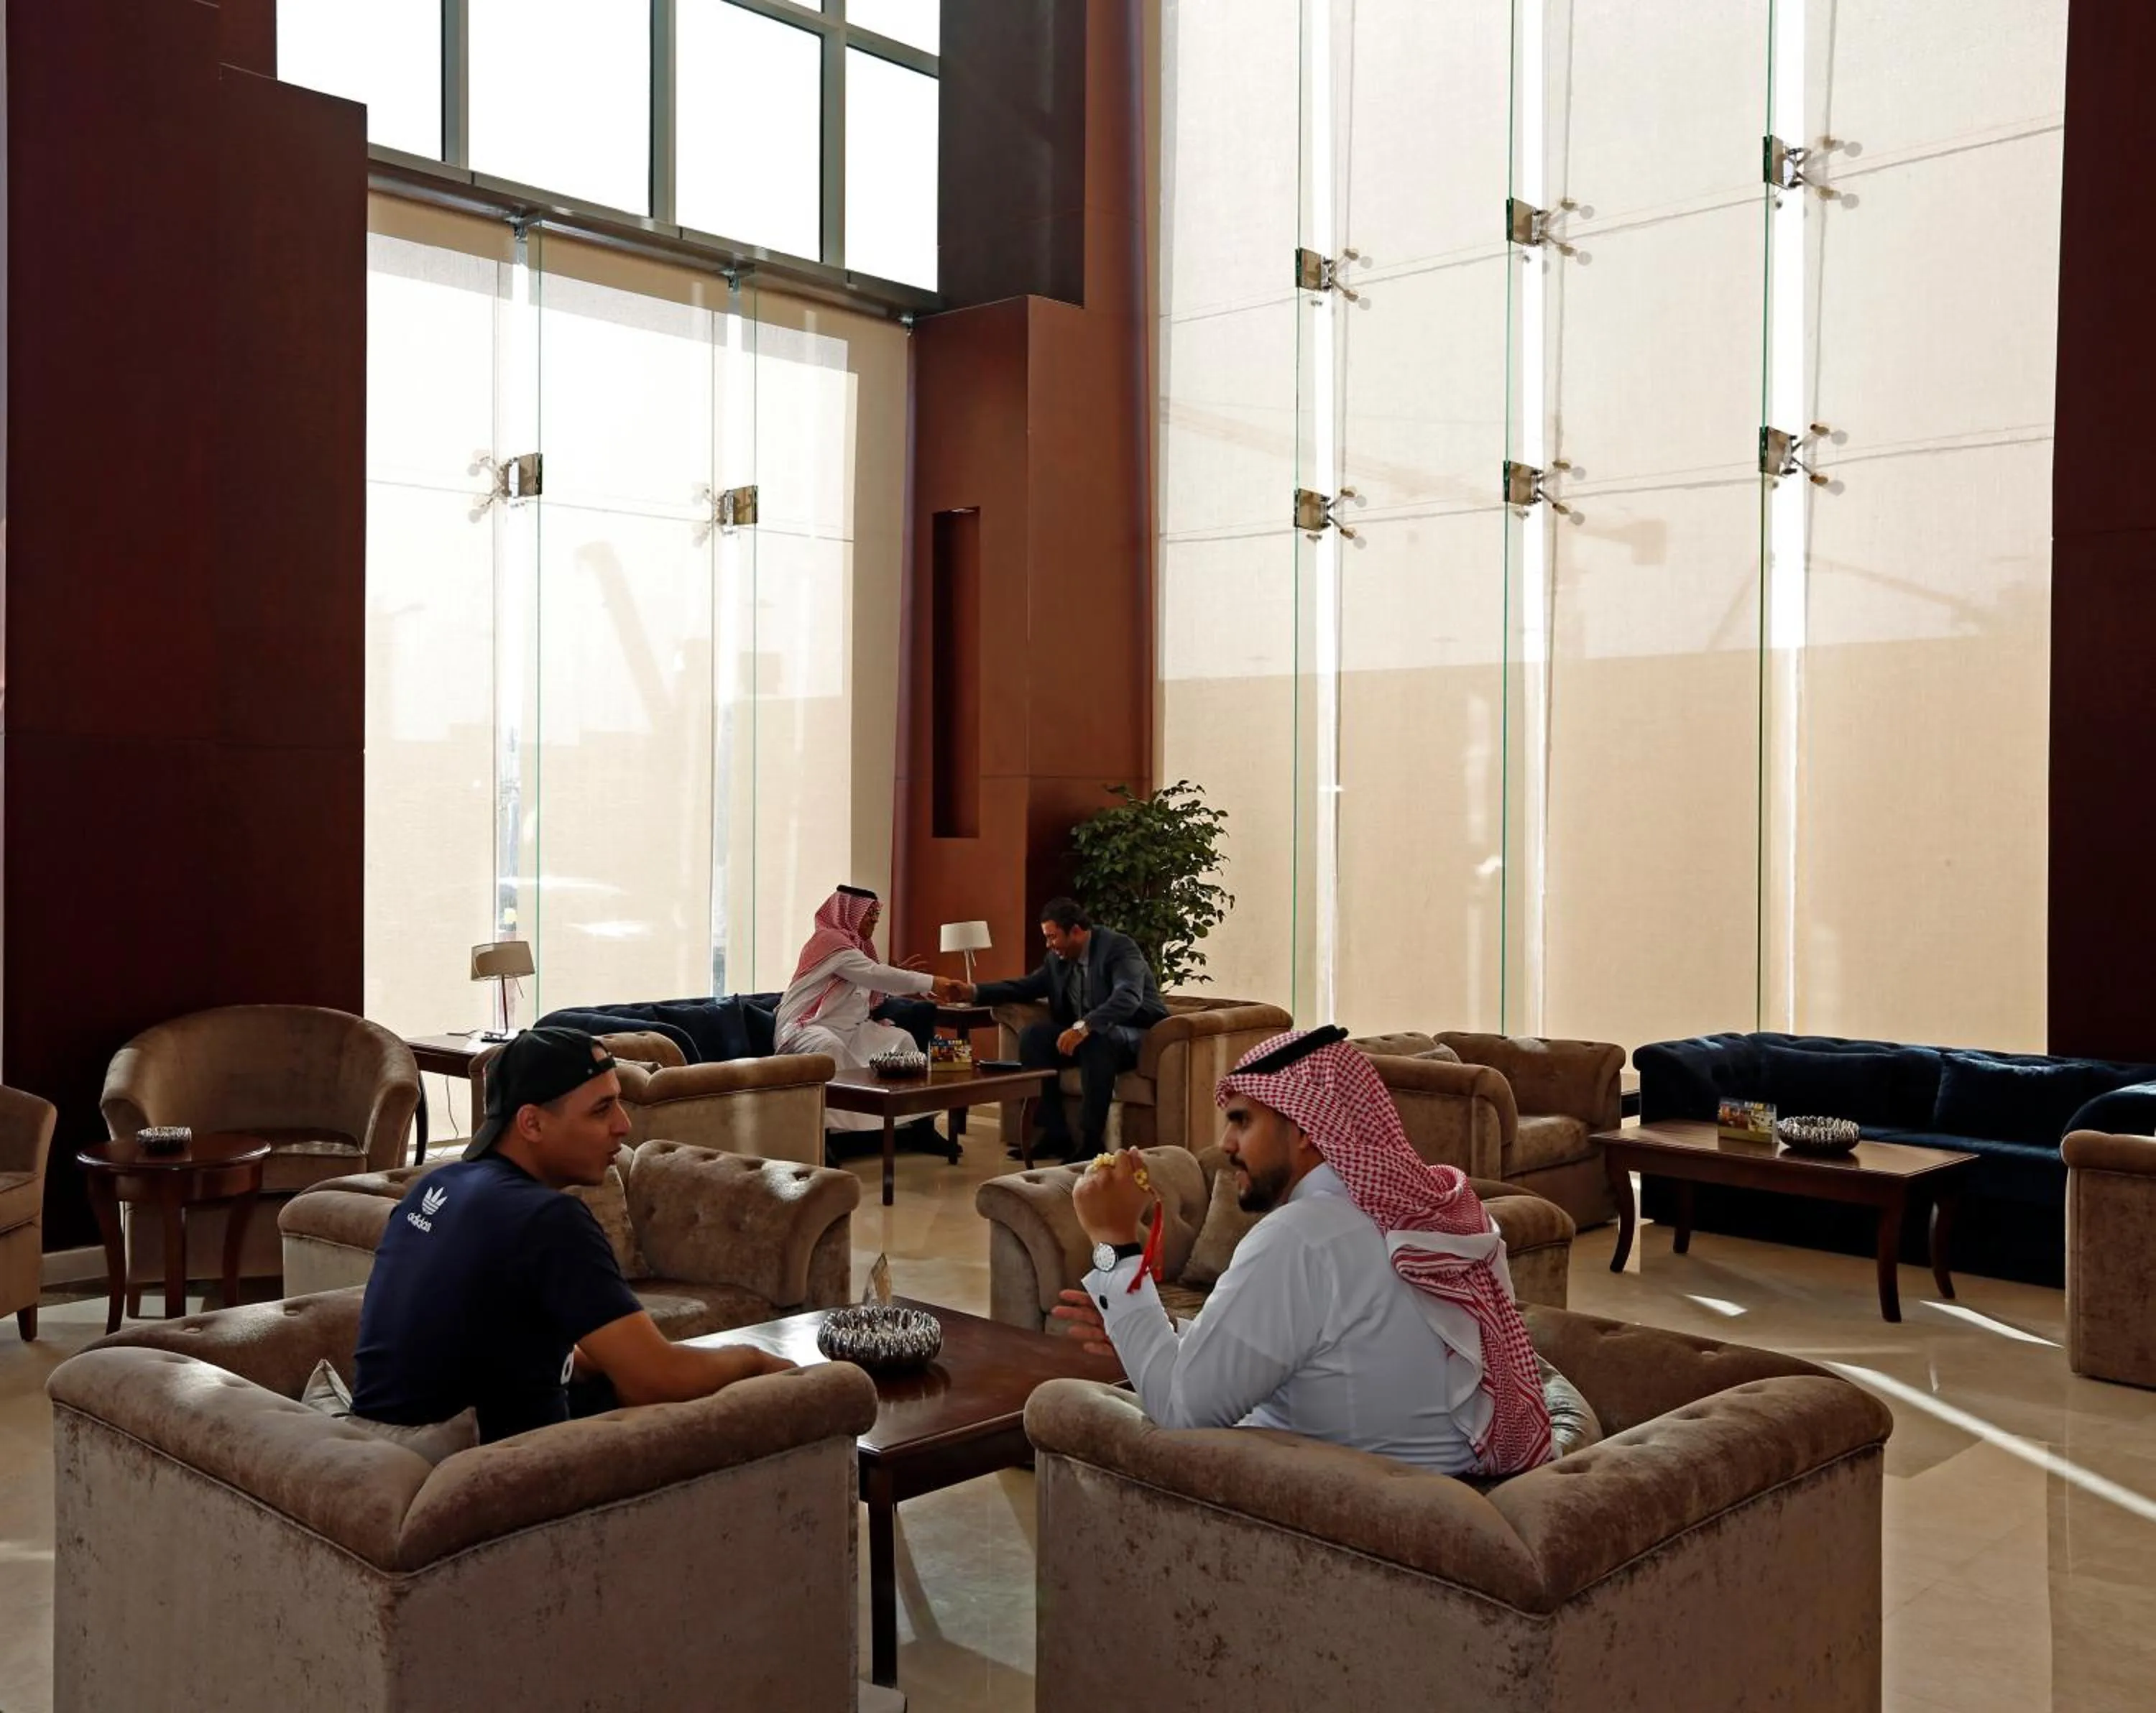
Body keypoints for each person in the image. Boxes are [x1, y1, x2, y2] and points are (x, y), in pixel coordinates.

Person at [1056, 1025, 1553, 1476]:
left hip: (1356, 1515)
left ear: (1306, 1129)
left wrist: (1112, 1241)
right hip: (1450, 1490)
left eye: (1242, 1121)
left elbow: (1182, 1412)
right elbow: (1317, 1344)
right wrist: (1153, 1326)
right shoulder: (1413, 1212)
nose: (1226, 1143)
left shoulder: (1303, 1237)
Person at [352, 1027, 794, 1443]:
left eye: (618, 1103)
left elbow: (486, 1343)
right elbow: (657, 1380)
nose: (623, 1126)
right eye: (601, 1109)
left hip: (386, 1453)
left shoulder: (435, 1189)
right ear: (532, 1124)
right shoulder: (547, 1218)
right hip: (481, 1477)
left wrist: (605, 1359)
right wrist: (751, 1360)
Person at [954, 897, 1166, 1159]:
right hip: (1087, 1037)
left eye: (1053, 937)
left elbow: (1128, 998)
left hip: (1133, 1034)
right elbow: (1025, 986)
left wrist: (1084, 1026)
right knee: (1034, 1036)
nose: (1049, 945)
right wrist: (973, 992)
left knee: (1097, 1038)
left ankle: (1091, 1142)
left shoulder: (1118, 948)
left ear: (1076, 931)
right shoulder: (1058, 960)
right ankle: (1055, 1134)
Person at [776, 885, 959, 1133]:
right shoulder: (829, 941)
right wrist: (931, 982)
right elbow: (874, 974)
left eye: (876, 916)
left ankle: (915, 1123)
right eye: (869, 915)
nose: (873, 922)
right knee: (829, 1048)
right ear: (848, 913)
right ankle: (828, 1131)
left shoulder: (858, 949)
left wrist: (902, 981)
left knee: (901, 1040)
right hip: (808, 1028)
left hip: (852, 1031)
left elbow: (868, 987)